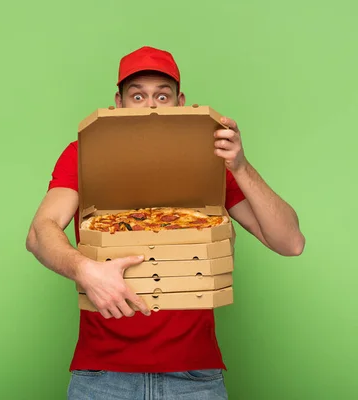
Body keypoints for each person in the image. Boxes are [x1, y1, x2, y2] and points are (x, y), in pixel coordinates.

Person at [25, 46, 305, 399]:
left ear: (180, 101)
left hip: (194, 378)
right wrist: (84, 270)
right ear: (118, 102)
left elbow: (290, 242)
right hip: (102, 376)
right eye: (137, 95)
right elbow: (39, 232)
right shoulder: (83, 152)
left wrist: (241, 168)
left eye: (162, 94)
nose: (150, 105)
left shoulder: (215, 159)